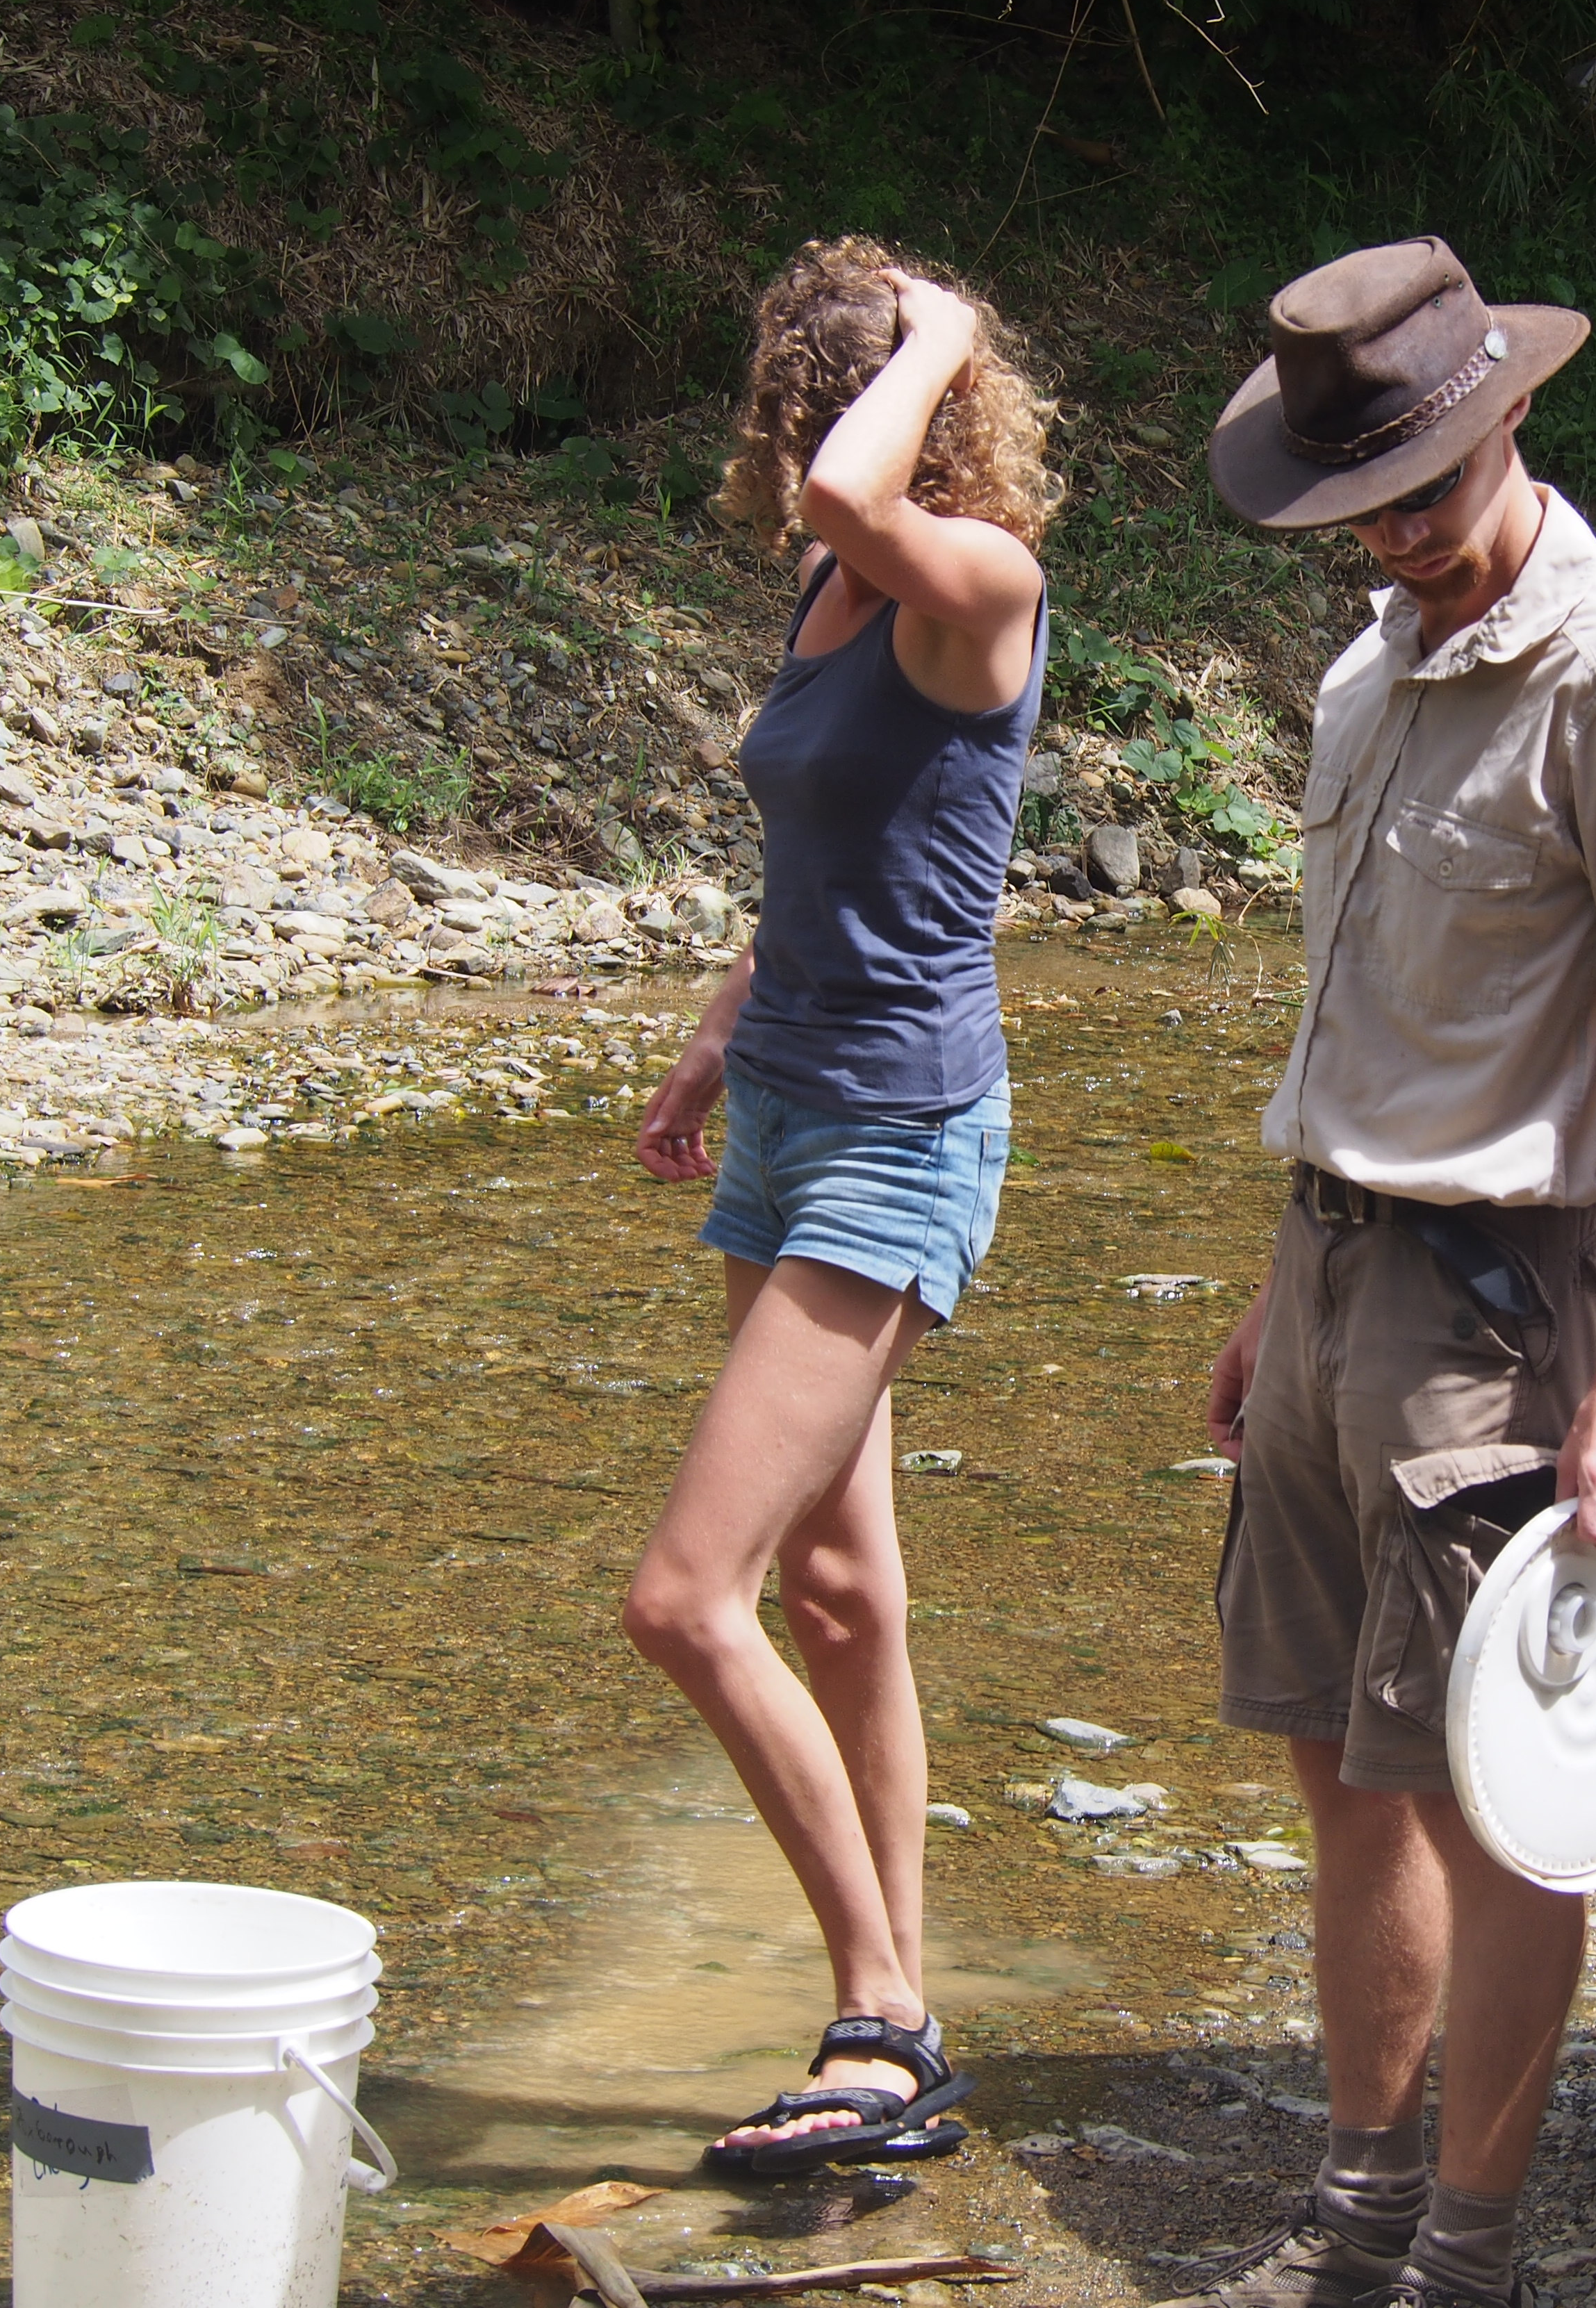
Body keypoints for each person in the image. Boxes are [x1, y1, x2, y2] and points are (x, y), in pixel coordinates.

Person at [1175, 237, 1596, 2308]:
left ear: (1512, 417)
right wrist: (1283, 1295)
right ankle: (1358, 2207)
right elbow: (1368, 1014)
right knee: (1340, 1763)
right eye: (1362, 512)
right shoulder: (1371, 666)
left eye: (1425, 498)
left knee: (1504, 1793)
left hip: (1511, 1306)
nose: (1401, 542)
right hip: (1335, 1264)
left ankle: (1474, 2243)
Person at [620, 236, 1053, 2179]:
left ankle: (880, 2021)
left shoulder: (977, 587)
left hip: (897, 1132)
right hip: (792, 1105)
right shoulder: (830, 581)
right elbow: (821, 851)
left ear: (915, 403)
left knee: (684, 1600)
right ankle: (905, 2007)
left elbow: (849, 494)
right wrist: (717, 1041)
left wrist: (945, 326)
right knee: (836, 1591)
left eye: (832, 386)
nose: (799, 427)